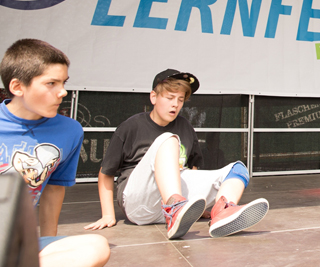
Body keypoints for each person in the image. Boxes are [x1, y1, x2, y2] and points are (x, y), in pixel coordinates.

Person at [85, 69, 268, 240]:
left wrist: (200, 203)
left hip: (171, 203)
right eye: (170, 97)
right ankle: (175, 207)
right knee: (168, 139)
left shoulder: (185, 127)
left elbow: (193, 167)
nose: (175, 104)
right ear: (154, 97)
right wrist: (108, 215)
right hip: (140, 204)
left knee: (238, 169)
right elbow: (106, 173)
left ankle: (222, 213)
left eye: (180, 100)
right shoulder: (131, 127)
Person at [0, 39, 110, 267]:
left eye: (64, 83)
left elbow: (54, 188)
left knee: (96, 248)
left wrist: (46, 241)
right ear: (17, 86)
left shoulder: (69, 130)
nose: (62, 92)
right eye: (51, 83)